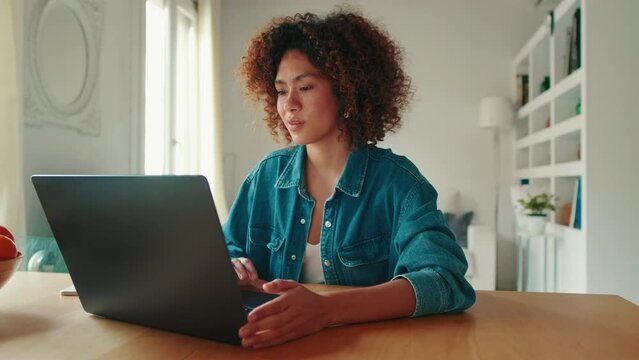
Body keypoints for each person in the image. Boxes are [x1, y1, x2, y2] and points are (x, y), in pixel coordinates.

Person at [223, 10, 475, 349]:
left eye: (306, 87)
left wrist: (327, 309)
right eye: (282, 91)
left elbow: (445, 281)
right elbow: (229, 246)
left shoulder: (399, 185)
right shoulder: (266, 176)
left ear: (347, 90)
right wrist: (232, 264)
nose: (289, 106)